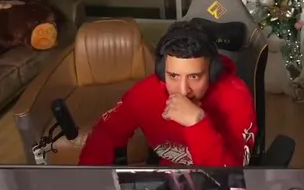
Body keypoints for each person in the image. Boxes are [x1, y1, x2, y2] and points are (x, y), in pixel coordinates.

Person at [78, 22, 257, 166]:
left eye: (194, 76)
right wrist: (87, 186)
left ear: (212, 72)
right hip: (169, 183)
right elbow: (105, 132)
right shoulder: (145, 93)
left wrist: (197, 123)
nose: (183, 90)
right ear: (162, 72)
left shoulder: (236, 96)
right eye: (173, 76)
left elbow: (232, 177)